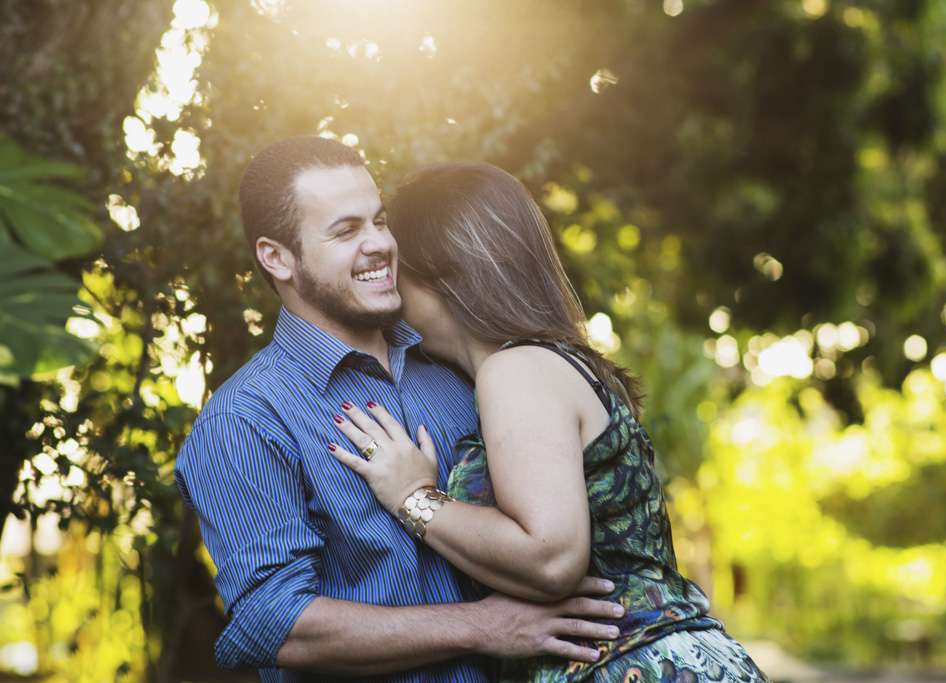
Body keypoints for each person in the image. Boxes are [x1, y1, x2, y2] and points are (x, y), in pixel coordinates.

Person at [174, 137, 625, 683]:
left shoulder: (466, 367)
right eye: (345, 231)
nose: (380, 245)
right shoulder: (245, 419)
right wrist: (481, 626)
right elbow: (277, 622)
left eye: (380, 221)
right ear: (277, 257)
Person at [327, 162, 771, 683]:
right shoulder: (545, 364)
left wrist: (414, 497)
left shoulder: (516, 370)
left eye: (397, 262)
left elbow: (551, 558)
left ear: (443, 271)